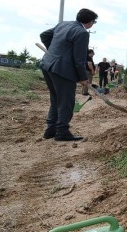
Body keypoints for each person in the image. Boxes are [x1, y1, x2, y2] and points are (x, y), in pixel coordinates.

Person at [39, 8, 98, 141]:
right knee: (66, 102)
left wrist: (54, 52)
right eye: (94, 22)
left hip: (47, 65)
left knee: (55, 99)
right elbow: (79, 59)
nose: (93, 24)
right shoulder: (82, 33)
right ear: (89, 22)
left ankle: (51, 129)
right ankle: (62, 132)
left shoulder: (63, 24)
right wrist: (83, 78)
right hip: (62, 71)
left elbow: (44, 35)